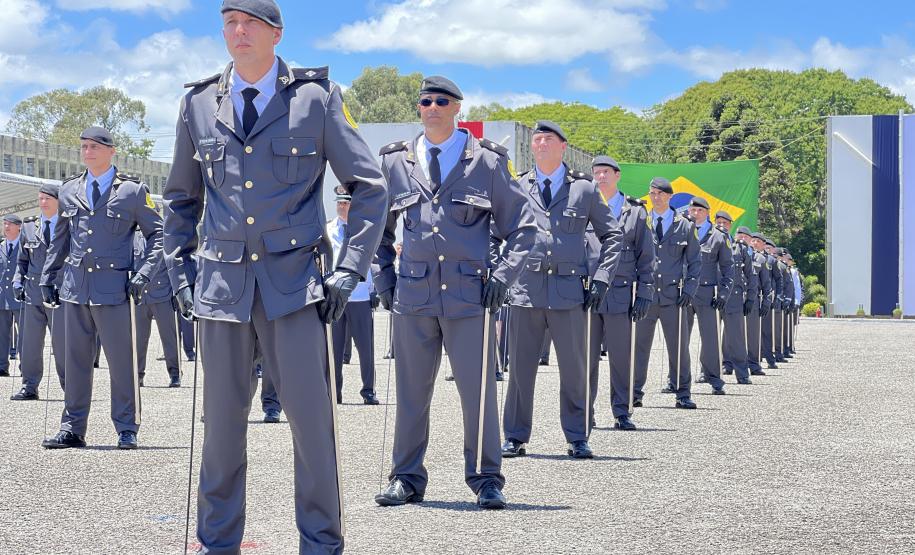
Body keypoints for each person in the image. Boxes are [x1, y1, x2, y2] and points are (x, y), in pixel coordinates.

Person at [163, 1, 387, 551]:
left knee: (313, 431)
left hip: (295, 289)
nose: (238, 33)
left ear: (276, 33)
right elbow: (179, 199)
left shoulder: (316, 99)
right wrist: (179, 268)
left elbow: (370, 187)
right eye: (229, 24)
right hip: (221, 288)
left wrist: (349, 269)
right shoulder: (198, 104)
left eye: (251, 23)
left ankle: (321, 543)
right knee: (219, 433)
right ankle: (218, 543)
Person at [373, 75, 535, 509]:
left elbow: (524, 227)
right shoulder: (397, 162)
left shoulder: (486, 162)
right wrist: (383, 277)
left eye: (441, 100)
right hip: (414, 297)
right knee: (410, 393)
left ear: (458, 108)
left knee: (477, 392)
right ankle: (406, 477)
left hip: (471, 298)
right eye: (425, 100)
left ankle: (485, 478)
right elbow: (376, 230)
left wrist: (503, 275)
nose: (432, 107)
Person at [501, 120, 622, 460]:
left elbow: (612, 236)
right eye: (536, 139)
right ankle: (514, 436)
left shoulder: (583, 189)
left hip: (570, 292)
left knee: (574, 369)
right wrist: (503, 274)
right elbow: (500, 233)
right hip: (527, 290)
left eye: (547, 139)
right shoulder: (519, 185)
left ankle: (577, 435)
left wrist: (601, 279)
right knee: (520, 369)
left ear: (562, 146)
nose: (539, 144)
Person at [40, 126, 162, 450]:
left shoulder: (133, 192)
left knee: (122, 363)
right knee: (75, 362)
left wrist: (145, 274)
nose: (87, 151)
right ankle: (72, 428)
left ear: (112, 151)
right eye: (83, 146)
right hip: (76, 289)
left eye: (95, 146)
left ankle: (126, 427)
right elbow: (60, 240)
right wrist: (48, 277)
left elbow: (159, 236)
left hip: (115, 291)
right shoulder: (69, 191)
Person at [586, 156, 655, 430]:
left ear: (617, 175)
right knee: (585, 358)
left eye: (605, 172)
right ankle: (584, 412)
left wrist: (645, 293)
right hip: (588, 293)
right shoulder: (584, 207)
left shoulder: (635, 212)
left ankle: (622, 410)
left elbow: (646, 257)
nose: (600, 177)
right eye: (596, 173)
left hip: (620, 294)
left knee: (621, 357)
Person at [632, 178, 701, 409]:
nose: (656, 197)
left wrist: (690, 289)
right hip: (646, 296)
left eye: (661, 193)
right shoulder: (642, 221)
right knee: (638, 347)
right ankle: (633, 392)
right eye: (652, 193)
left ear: (670, 196)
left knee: (678, 346)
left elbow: (695, 262)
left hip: (674, 296)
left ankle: (683, 392)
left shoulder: (685, 225)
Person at [10, 185, 66, 400]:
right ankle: (29, 386)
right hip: (32, 294)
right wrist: (17, 281)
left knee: (62, 344)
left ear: (58, 201)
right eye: (40, 199)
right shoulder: (30, 226)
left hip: (58, 293)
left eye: (47, 199)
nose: (43, 203)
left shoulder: (67, 224)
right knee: (30, 343)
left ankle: (70, 388)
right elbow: (22, 261)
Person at [327, 187, 379, 404]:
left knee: (365, 349)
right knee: (334, 350)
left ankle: (368, 391)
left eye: (346, 203)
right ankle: (334, 392)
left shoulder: (362, 230)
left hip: (359, 296)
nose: (342, 206)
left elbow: (373, 260)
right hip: (335, 296)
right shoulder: (328, 229)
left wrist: (374, 290)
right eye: (339, 202)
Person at [687, 197, 733, 394]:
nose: (695, 213)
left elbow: (728, 268)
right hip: (684, 292)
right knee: (678, 338)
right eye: (692, 210)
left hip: (707, 293)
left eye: (699, 210)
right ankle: (676, 379)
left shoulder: (718, 236)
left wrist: (724, 294)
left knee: (710, 338)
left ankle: (714, 377)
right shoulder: (682, 230)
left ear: (707, 212)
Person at [132, 229, 181, 388]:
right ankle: (137, 375)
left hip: (163, 294)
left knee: (169, 337)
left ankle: (175, 373)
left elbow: (172, 267)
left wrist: (175, 292)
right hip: (140, 297)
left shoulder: (165, 239)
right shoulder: (130, 237)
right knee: (138, 339)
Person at [715, 213, 757, 384]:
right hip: (712, 296)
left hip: (734, 297)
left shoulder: (738, 247)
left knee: (736, 337)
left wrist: (751, 298)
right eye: (718, 222)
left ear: (731, 225)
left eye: (725, 223)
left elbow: (751, 275)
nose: (722, 225)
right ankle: (708, 371)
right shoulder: (707, 243)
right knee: (710, 337)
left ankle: (742, 373)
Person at [744, 230, 772, 376]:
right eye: (752, 240)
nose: (754, 243)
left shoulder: (761, 259)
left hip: (754, 299)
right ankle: (728, 363)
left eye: (756, 240)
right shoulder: (734, 254)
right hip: (735, 297)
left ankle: (754, 364)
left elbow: (767, 284)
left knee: (753, 334)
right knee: (730, 334)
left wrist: (766, 302)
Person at [0, 214, 23, 377]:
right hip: (2, 298)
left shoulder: (25, 246)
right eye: (5, 224)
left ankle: (26, 367)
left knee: (25, 335)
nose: (6, 227)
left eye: (10, 224)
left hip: (20, 297)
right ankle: (2, 366)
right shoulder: (0, 247)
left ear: (19, 227)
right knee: (1, 334)